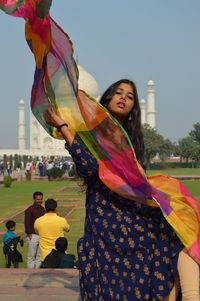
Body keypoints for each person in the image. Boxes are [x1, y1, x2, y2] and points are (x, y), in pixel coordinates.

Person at [44, 79, 200, 301]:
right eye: (118, 93)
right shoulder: (89, 133)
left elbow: (137, 182)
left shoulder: (130, 139)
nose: (123, 98)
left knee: (183, 224)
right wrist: (62, 126)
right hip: (104, 213)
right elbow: (89, 167)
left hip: (128, 209)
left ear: (133, 108)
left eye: (129, 96)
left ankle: (190, 296)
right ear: (107, 99)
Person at [34, 198, 70, 263]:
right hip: (60, 254)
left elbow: (37, 232)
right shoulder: (61, 220)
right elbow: (68, 229)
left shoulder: (38, 221)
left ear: (45, 208)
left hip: (45, 255)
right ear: (55, 208)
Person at [24, 191, 45, 268]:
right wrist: (29, 234)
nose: (40, 200)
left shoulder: (43, 209)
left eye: (41, 199)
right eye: (38, 199)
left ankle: (37, 273)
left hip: (41, 235)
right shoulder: (30, 210)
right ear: (34, 199)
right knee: (31, 256)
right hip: (32, 235)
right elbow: (27, 222)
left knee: (39, 256)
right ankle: (30, 273)